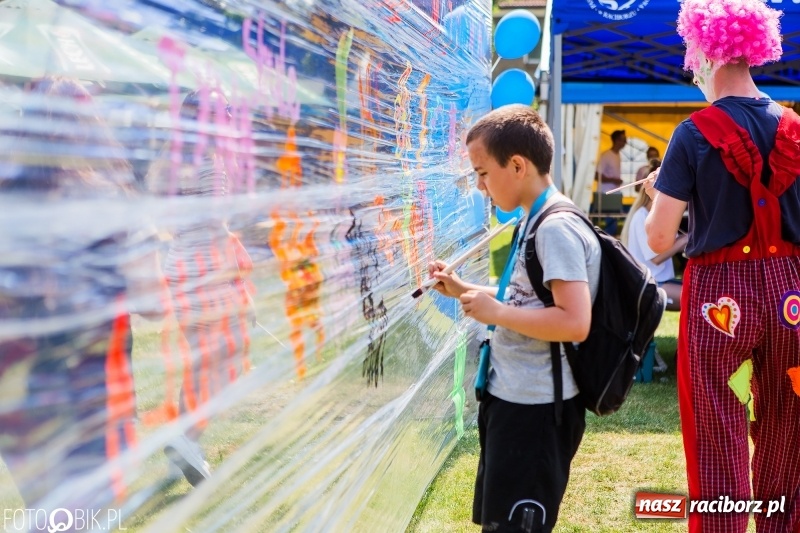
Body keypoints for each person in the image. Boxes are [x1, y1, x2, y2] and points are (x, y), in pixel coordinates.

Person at [644, 1, 800, 531]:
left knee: (716, 429)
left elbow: (659, 239)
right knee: (790, 428)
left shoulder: (691, 133)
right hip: (791, 296)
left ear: (706, 50)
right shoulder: (794, 128)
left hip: (719, 294)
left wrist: (656, 197)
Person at [428, 104, 600, 533]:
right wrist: (465, 289)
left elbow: (575, 321)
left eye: (483, 173)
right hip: (512, 395)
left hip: (538, 410)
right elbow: (527, 298)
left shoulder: (555, 227)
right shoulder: (532, 218)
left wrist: (497, 313)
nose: (481, 187)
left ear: (518, 165)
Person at [0, 77, 161, 513]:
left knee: (49, 512)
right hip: (91, 396)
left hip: (17, 398)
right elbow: (154, 306)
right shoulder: (114, 203)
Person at [146, 88, 254, 487]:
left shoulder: (173, 161)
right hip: (206, 270)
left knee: (203, 361)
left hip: (182, 267)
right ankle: (187, 440)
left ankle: (187, 442)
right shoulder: (211, 165)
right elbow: (213, 224)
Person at [621, 159, 686, 312]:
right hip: (652, 284)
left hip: (661, 281)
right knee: (695, 297)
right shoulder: (641, 216)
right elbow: (656, 258)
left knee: (697, 292)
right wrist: (684, 240)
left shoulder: (647, 214)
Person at [594, 129, 627, 235]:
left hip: (615, 194)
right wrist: (613, 179)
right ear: (616, 140)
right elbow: (597, 175)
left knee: (615, 222)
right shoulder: (606, 155)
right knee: (609, 224)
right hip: (605, 194)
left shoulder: (618, 155)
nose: (625, 142)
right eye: (623, 140)